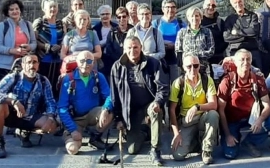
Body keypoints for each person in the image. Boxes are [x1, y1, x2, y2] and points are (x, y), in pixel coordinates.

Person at [110, 35, 169, 166]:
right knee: (132, 150)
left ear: (141, 48)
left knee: (155, 111)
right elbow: (115, 95)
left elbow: (163, 87)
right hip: (130, 109)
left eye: (136, 47)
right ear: (124, 49)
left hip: (149, 104)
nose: (132, 50)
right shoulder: (117, 67)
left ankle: (156, 150)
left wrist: (158, 102)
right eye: (129, 48)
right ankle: (144, 131)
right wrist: (118, 119)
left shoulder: (153, 63)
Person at [0, 53, 59, 158]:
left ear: (38, 65)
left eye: (34, 62)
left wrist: (51, 116)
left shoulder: (43, 81)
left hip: (31, 116)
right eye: (28, 62)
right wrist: (13, 101)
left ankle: (24, 132)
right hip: (11, 115)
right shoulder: (13, 77)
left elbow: (50, 101)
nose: (32, 65)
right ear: (23, 65)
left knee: (51, 126)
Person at [217, 49, 270, 160]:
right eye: (242, 59)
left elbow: (268, 105)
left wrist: (259, 120)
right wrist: (228, 135)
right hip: (231, 121)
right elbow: (220, 110)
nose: (246, 62)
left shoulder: (257, 79)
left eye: (248, 59)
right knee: (230, 155)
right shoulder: (227, 81)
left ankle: (249, 141)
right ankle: (233, 137)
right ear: (235, 62)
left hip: (251, 119)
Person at [58, 51, 113, 154]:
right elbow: (62, 107)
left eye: (89, 61)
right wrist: (72, 129)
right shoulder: (68, 79)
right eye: (82, 61)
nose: (85, 64)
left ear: (93, 63)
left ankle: (95, 138)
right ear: (77, 62)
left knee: (110, 112)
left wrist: (106, 108)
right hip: (75, 119)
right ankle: (73, 136)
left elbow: (109, 96)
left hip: (93, 113)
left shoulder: (98, 76)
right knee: (72, 149)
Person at [169, 54, 219, 165]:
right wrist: (176, 133)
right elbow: (172, 110)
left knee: (213, 114)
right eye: (189, 66)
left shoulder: (207, 80)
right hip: (187, 121)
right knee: (177, 155)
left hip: (203, 117)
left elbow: (214, 104)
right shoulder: (178, 83)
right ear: (183, 67)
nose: (193, 69)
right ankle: (197, 143)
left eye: (196, 66)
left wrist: (197, 107)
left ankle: (207, 150)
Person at [0, 0, 36, 81]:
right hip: (5, 67)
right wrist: (12, 50)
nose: (15, 11)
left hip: (24, 66)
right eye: (11, 9)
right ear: (7, 12)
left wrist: (29, 47)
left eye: (17, 9)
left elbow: (34, 43)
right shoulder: (2, 25)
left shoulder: (28, 25)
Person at [223, 0, 263, 69]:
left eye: (240, 1)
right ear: (232, 4)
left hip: (252, 51)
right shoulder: (229, 19)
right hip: (235, 51)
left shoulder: (252, 16)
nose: (238, 4)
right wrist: (245, 36)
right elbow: (226, 37)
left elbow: (254, 31)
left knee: (257, 75)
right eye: (235, 3)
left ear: (243, 1)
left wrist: (236, 32)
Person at [33, 0, 64, 92]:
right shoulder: (39, 22)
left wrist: (60, 46)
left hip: (57, 60)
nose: (53, 9)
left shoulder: (61, 23)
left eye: (55, 7)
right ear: (44, 9)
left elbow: (65, 39)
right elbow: (33, 40)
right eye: (50, 7)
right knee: (42, 86)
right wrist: (47, 47)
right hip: (43, 60)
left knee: (55, 86)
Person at [174, 6, 214, 76]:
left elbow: (211, 51)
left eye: (197, 16)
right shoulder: (182, 32)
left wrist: (195, 54)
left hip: (202, 68)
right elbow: (178, 51)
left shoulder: (207, 32)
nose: (194, 18)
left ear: (201, 17)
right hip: (186, 69)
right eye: (192, 16)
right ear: (188, 18)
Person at [153, 0, 186, 78]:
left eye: (173, 7)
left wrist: (175, 45)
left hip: (176, 59)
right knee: (162, 86)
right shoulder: (156, 23)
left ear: (176, 9)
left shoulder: (181, 23)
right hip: (160, 59)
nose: (170, 10)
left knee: (176, 85)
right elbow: (151, 39)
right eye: (167, 7)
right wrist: (163, 43)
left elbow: (186, 40)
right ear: (163, 9)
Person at [102, 6, 130, 78]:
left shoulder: (133, 30)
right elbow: (109, 49)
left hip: (130, 63)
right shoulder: (112, 32)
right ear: (116, 18)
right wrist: (119, 60)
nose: (122, 19)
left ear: (128, 17)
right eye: (119, 17)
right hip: (115, 63)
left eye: (124, 16)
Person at [201, 0, 227, 65]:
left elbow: (226, 38)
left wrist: (219, 49)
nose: (211, 7)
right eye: (208, 5)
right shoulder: (199, 22)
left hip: (219, 58)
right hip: (204, 59)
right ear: (203, 6)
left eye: (213, 5)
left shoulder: (220, 22)